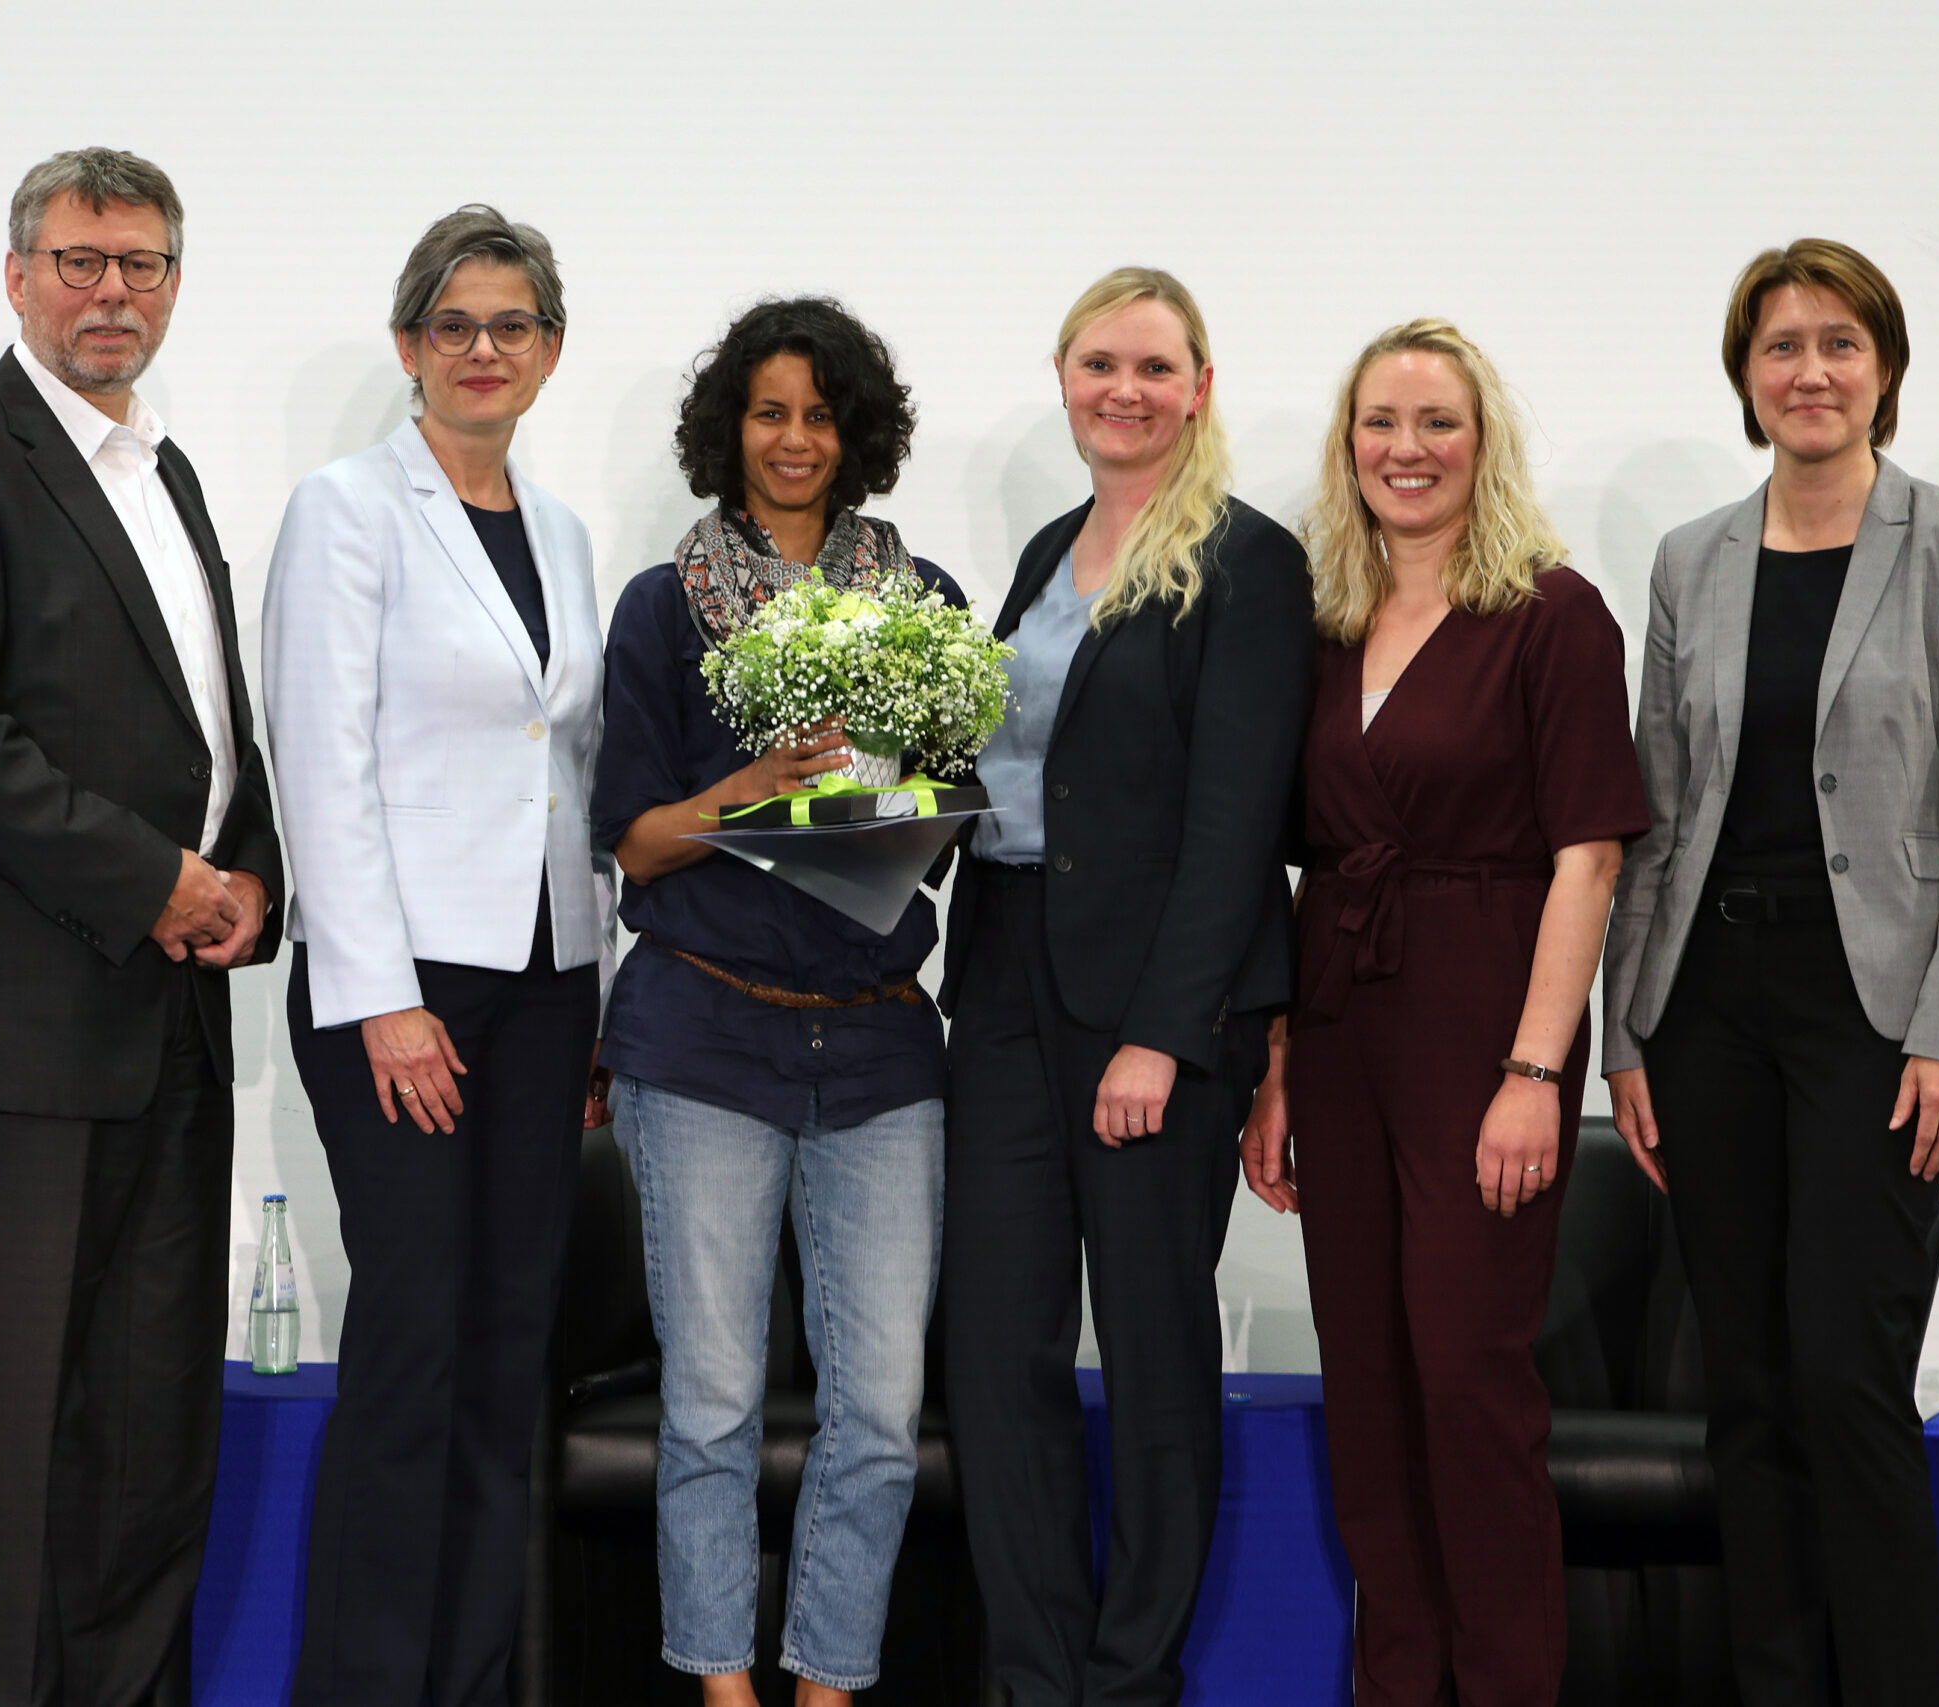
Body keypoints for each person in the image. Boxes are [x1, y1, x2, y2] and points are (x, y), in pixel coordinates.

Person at [0, 147, 282, 1705]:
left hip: (168, 1021)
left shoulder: (164, 468)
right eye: (84, 261)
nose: (115, 292)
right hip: (18, 1036)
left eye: (144, 264)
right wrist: (153, 880)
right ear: (19, 272)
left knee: (149, 1429)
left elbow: (208, 726)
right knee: (5, 1441)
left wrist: (249, 884)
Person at [1600, 240, 1939, 1707]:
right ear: (1744, 377)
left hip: (1876, 1017)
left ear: (1886, 368)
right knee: (1747, 1388)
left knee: (1849, 1383)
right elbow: (1650, 814)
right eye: (1781, 347)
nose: (1811, 371)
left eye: (1840, 343)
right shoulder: (1690, 560)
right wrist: (1626, 1036)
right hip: (1706, 1008)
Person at [1239, 319, 1647, 1705]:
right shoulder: (1324, 623)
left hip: (1488, 1022)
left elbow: (1589, 855)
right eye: (1381, 424)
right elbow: (1296, 859)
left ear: (1486, 444)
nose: (1406, 451)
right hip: (1345, 1028)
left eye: (1437, 424)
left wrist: (1538, 1070)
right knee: (1371, 1390)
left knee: (1470, 1393)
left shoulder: (1551, 612)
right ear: (1346, 447)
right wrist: (1284, 1060)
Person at [939, 267, 1311, 1706]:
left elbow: (1236, 823)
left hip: (1160, 1003)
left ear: (1200, 389)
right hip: (1008, 980)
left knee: (1153, 1353)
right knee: (996, 1344)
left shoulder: (1246, 561)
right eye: (1101, 363)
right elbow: (1011, 772)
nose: (1125, 391)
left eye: (1156, 368)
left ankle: (1130, 1675)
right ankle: (1038, 1675)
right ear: (1063, 376)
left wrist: (1164, 1034)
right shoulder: (1045, 549)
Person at [262, 204, 605, 1707]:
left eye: (512, 324)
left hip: (543, 989)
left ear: (548, 350)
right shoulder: (347, 509)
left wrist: (592, 989)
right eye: (455, 324)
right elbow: (318, 764)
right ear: (412, 346)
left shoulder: (570, 532)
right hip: (399, 990)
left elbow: (568, 765)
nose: (484, 349)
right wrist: (386, 999)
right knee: (411, 1346)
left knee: (505, 1341)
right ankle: (365, 1685)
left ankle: (464, 1680)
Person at [594, 297, 960, 1704]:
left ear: (855, 432)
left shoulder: (919, 605)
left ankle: (826, 1681)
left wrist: (891, 806)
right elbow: (634, 840)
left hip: (878, 1042)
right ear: (727, 431)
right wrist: (747, 793)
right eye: (769, 411)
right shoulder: (661, 605)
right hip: (702, 1038)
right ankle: (718, 1684)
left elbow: (945, 818)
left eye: (819, 413)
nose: (795, 438)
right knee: (714, 1406)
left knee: (877, 1407)